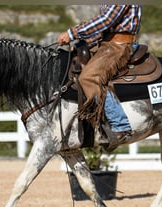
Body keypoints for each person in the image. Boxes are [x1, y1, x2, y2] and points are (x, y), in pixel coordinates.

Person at [57, 5, 142, 143]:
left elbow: (107, 20)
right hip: (108, 43)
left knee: (89, 77)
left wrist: (72, 33)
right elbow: (106, 29)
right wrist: (85, 42)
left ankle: (120, 125)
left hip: (120, 45)